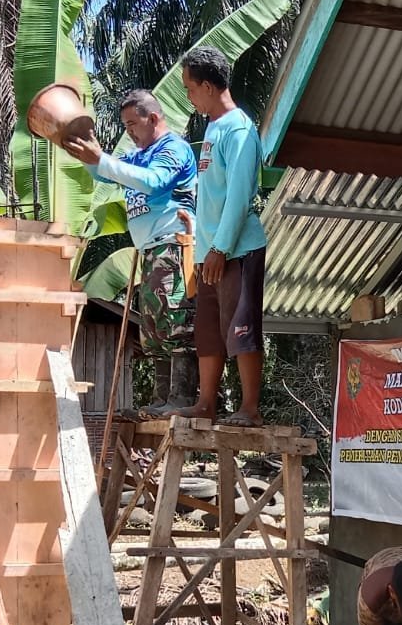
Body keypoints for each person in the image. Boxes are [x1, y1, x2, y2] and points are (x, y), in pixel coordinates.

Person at [62, 89, 199, 416]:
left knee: (175, 321)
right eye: (125, 127)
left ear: (153, 118)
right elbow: (107, 173)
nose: (129, 133)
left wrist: (104, 161)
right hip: (150, 251)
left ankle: (181, 398)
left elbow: (153, 182)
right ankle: (161, 398)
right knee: (152, 329)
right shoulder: (139, 155)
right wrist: (86, 154)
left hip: (172, 245)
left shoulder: (173, 150)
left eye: (132, 124)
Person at [174, 45, 268, 426]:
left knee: (241, 328)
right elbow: (209, 196)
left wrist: (220, 248)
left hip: (236, 250)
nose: (189, 96)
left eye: (191, 88)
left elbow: (239, 195)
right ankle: (207, 402)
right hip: (209, 252)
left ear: (209, 87)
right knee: (209, 331)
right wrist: (202, 247)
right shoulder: (212, 128)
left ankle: (250, 408)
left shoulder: (240, 129)